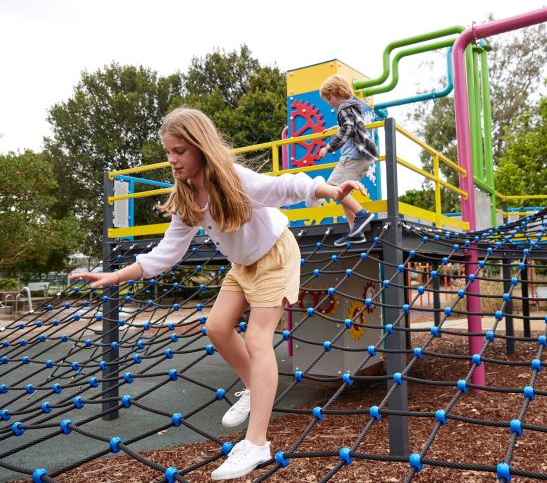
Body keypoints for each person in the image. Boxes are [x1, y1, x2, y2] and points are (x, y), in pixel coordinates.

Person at [70, 107, 367, 480]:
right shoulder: (186, 199)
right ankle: (252, 387)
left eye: (179, 151)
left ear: (200, 147)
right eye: (168, 152)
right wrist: (116, 276)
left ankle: (257, 443)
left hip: (275, 255)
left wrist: (333, 191)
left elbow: (285, 187)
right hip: (243, 265)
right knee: (216, 327)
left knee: (258, 339)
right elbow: (167, 252)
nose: (172, 160)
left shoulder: (234, 180)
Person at [318, 75, 379, 247]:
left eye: (329, 98)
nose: (329, 102)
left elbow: (347, 129)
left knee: (332, 188)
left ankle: (362, 214)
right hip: (363, 158)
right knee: (344, 192)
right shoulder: (352, 106)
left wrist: (328, 148)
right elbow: (351, 125)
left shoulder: (343, 107)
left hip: (352, 157)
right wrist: (333, 128)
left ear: (337, 92)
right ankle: (355, 231)